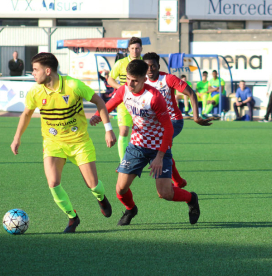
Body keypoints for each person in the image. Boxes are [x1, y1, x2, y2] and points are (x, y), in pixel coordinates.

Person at [10, 52, 117, 233]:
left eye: (36, 70)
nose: (33, 73)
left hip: (80, 142)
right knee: (53, 183)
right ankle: (72, 218)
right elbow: (27, 114)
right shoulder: (35, 91)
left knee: (93, 185)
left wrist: (108, 129)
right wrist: (17, 137)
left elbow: (99, 101)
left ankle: (101, 198)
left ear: (48, 70)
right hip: (53, 143)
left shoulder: (73, 85)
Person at [90, 60, 201, 226]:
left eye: (134, 80)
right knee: (120, 189)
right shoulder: (124, 90)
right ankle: (131, 209)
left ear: (143, 79)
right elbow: (108, 106)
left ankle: (191, 198)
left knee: (165, 193)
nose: (130, 83)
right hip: (136, 146)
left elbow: (169, 129)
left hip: (158, 148)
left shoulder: (154, 98)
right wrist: (97, 116)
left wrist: (160, 156)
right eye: (128, 79)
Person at [143, 52, 212, 188]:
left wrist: (196, 116)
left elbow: (191, 93)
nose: (150, 69)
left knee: (160, 146)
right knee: (162, 149)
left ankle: (169, 183)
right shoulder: (141, 80)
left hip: (173, 120)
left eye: (153, 66)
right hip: (156, 124)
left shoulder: (168, 78)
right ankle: (178, 181)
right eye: (147, 66)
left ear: (158, 66)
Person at [107, 37, 143, 164]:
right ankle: (124, 162)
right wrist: (121, 88)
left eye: (137, 48)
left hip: (142, 103)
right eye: (132, 48)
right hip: (124, 103)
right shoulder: (121, 63)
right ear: (129, 49)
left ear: (141, 49)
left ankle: (141, 159)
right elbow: (110, 79)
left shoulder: (145, 64)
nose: (135, 51)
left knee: (142, 132)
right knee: (124, 131)